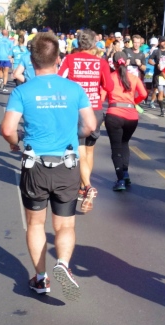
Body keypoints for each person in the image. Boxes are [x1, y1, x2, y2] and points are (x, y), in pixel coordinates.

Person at [0, 32, 96, 300]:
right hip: (67, 165)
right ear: (58, 59)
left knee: (35, 224)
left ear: (32, 61)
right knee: (65, 225)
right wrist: (74, 134)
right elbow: (90, 125)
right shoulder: (74, 89)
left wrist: (15, 143)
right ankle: (63, 263)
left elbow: (7, 129)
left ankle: (41, 278)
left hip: (36, 167)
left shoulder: (22, 91)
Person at [58, 29, 114, 213]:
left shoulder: (69, 59)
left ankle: (87, 187)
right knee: (89, 151)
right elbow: (109, 86)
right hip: (95, 110)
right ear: (94, 44)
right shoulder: (101, 62)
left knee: (79, 150)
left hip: (76, 110)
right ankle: (84, 187)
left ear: (78, 43)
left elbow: (59, 79)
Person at [104, 51, 148, 190]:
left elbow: (101, 96)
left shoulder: (109, 77)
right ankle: (125, 173)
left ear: (113, 63)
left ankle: (120, 180)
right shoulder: (134, 78)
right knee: (124, 143)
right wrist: (134, 102)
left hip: (114, 115)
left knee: (116, 148)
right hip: (132, 117)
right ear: (127, 62)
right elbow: (144, 94)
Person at [148, 36, 165, 117]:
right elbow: (149, 60)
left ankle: (157, 98)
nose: (164, 43)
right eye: (162, 41)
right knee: (161, 93)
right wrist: (156, 64)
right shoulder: (156, 51)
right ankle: (162, 110)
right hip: (158, 75)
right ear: (159, 43)